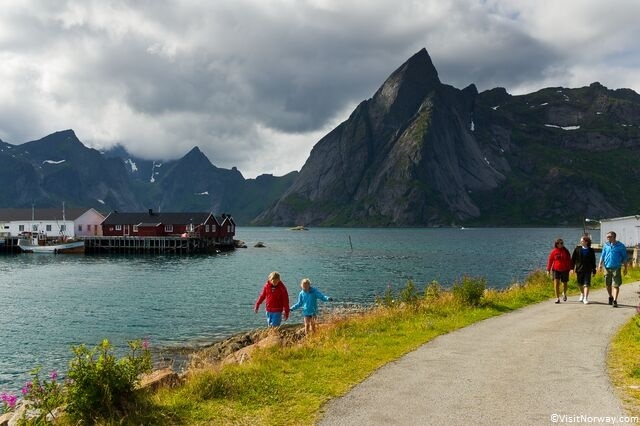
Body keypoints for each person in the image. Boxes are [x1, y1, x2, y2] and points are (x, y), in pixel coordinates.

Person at [598, 231, 628, 308]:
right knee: (608, 284)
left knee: (616, 285)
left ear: (614, 237)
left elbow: (624, 257)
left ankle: (615, 300)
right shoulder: (606, 245)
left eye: (609, 237)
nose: (607, 238)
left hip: (616, 268)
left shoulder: (621, 246)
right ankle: (610, 296)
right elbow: (602, 255)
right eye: (607, 237)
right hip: (607, 267)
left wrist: (625, 268)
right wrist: (600, 264)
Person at [571, 235, 597, 304]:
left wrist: (594, 270)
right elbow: (573, 259)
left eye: (582, 241)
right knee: (580, 284)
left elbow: (593, 260)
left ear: (586, 242)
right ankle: (582, 293)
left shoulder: (591, 250)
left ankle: (585, 298)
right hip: (579, 269)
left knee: (586, 284)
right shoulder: (577, 249)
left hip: (588, 270)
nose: (580, 242)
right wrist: (571, 268)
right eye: (581, 241)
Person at [547, 238, 572, 303]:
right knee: (556, 284)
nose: (560, 244)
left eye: (562, 243)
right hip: (556, 270)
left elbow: (569, 260)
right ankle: (557, 298)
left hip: (565, 269)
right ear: (556, 244)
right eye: (559, 243)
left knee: (565, 283)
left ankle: (564, 293)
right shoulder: (554, 251)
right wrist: (548, 270)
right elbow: (550, 261)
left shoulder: (566, 251)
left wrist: (571, 269)